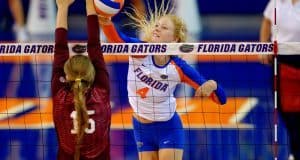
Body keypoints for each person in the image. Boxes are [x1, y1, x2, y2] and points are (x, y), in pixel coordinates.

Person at [99, 1, 227, 160]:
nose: (157, 28)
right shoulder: (140, 50)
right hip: (141, 129)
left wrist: (213, 85)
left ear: (174, 39)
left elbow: (221, 99)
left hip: (168, 128)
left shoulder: (179, 68)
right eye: (157, 25)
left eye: (164, 27)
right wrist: (106, 22)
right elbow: (117, 40)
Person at [52, 0, 111, 160]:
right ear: (92, 73)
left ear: (66, 75)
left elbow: (60, 49)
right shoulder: (101, 91)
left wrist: (62, 7)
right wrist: (91, 4)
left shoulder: (60, 95)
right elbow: (94, 45)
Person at [260, 0, 300, 159]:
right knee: (285, 109)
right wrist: (263, 46)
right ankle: (295, 152)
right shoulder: (276, 2)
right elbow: (266, 22)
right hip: (282, 61)